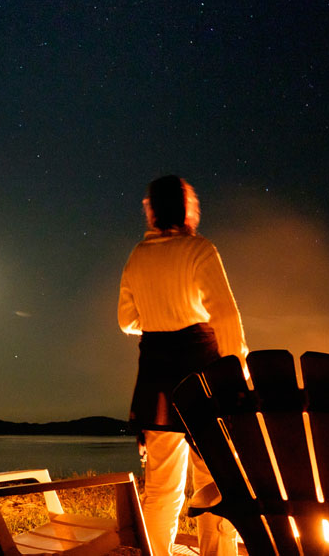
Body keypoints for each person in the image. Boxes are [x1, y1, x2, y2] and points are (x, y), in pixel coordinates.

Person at [118, 175, 247, 556]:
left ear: (152, 211)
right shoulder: (199, 250)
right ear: (187, 209)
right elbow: (226, 316)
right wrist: (238, 374)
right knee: (215, 481)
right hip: (203, 377)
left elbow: (126, 320)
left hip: (157, 381)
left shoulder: (138, 256)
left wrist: (160, 320)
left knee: (161, 487)